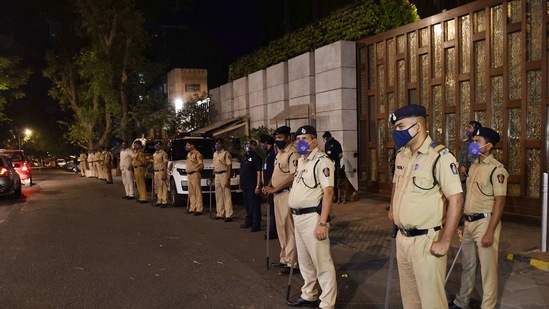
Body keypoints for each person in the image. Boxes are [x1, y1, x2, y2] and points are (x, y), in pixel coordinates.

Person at [387, 104, 463, 308]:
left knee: (431, 302)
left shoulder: (440, 157)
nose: (397, 132)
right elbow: (397, 182)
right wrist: (393, 208)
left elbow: (456, 198)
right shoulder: (402, 155)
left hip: (426, 241)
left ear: (418, 126)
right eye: (395, 127)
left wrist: (445, 240)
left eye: (401, 126)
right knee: (410, 300)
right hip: (402, 239)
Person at [449, 127, 508, 309]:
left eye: (478, 142)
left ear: (489, 146)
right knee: (468, 266)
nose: (473, 145)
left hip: (485, 223)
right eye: (473, 141)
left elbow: (499, 203)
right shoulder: (474, 166)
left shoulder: (497, 170)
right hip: (469, 223)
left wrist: (490, 231)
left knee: (487, 271)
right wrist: (465, 222)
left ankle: (487, 306)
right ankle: (462, 302)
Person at [286, 125, 337, 309]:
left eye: (305, 139)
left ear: (314, 141)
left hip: (313, 218)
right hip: (298, 218)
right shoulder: (301, 161)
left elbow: (329, 192)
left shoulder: (322, 161)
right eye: (298, 139)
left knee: (322, 263)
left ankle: (327, 303)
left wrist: (322, 223)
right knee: (305, 261)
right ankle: (309, 295)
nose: (301, 143)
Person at [262, 126, 299, 275]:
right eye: (276, 138)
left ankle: (293, 262)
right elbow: (276, 172)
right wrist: (269, 185)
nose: (278, 141)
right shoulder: (280, 154)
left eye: (281, 138)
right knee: (281, 229)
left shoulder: (293, 153)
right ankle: (284, 258)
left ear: (288, 138)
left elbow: (292, 176)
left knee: (289, 228)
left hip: (285, 194)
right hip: (276, 194)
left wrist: (275, 188)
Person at [239, 140, 263, 232]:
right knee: (248, 204)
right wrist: (241, 184)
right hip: (245, 184)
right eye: (247, 145)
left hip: (252, 185)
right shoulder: (244, 157)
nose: (248, 147)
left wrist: (258, 186)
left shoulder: (256, 157)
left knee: (254, 205)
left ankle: (256, 224)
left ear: (255, 147)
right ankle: (249, 221)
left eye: (251, 145)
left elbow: (258, 172)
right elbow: (242, 171)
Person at [259, 134, 278, 240]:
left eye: (262, 143)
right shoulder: (268, 155)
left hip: (272, 186)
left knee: (272, 209)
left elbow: (273, 172)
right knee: (270, 208)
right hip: (267, 185)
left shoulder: (272, 155)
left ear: (266, 143)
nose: (261, 145)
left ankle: (273, 230)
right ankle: (271, 229)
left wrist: (269, 185)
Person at [212, 138, 233, 221]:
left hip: (224, 174)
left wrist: (228, 178)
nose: (217, 145)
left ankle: (228, 214)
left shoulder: (226, 153)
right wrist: (213, 173)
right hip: (217, 175)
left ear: (222, 144)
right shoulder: (215, 154)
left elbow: (229, 166)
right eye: (216, 144)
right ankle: (220, 213)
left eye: (219, 144)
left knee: (226, 195)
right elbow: (215, 164)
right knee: (218, 195)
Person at [459, 121, 483, 193]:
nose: (467, 129)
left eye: (469, 127)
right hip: (465, 178)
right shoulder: (466, 143)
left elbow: (479, 159)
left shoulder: (480, 143)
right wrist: (462, 166)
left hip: (476, 177)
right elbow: (461, 156)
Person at [322, 131, 343, 202]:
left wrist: (335, 161)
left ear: (329, 137)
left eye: (326, 138)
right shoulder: (326, 144)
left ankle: (337, 197)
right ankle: (331, 196)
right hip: (328, 165)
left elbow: (340, 154)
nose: (326, 139)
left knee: (335, 181)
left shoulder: (336, 143)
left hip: (335, 165)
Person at [186, 140, 204, 215]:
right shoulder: (189, 154)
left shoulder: (197, 154)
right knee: (191, 192)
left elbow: (201, 165)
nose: (187, 147)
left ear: (193, 145)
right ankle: (192, 207)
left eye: (188, 145)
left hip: (195, 174)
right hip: (189, 174)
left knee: (197, 192)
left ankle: (199, 209)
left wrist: (197, 169)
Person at [152, 141, 169, 207]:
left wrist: (164, 173)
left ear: (161, 146)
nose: (157, 146)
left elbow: (165, 164)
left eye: (158, 145)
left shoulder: (163, 154)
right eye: (156, 145)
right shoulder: (154, 154)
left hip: (161, 171)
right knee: (157, 186)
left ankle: (164, 201)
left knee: (163, 186)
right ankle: (159, 200)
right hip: (156, 171)